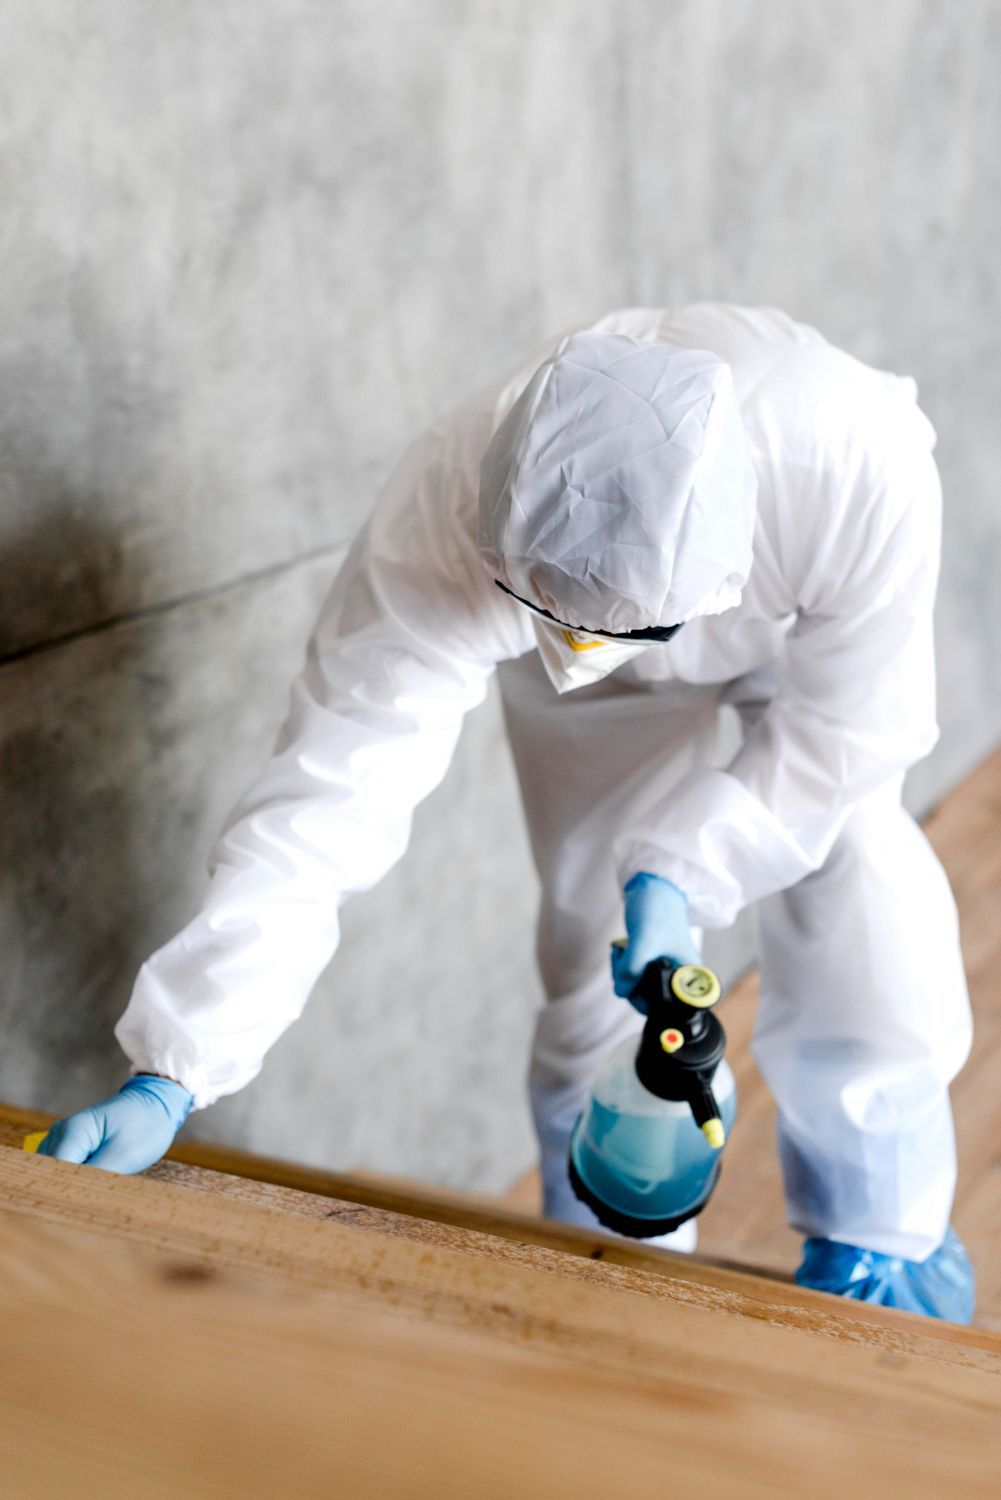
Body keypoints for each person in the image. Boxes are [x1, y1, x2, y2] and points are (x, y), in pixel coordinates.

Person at [38, 304, 975, 1322]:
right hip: (563, 641)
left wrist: (677, 871)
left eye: (612, 632)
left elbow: (845, 739)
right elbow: (329, 795)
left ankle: (881, 1239)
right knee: (587, 941)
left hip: (790, 642)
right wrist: (174, 1068)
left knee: (855, 866)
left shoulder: (847, 460)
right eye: (559, 619)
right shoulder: (447, 508)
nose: (587, 651)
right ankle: (605, 1269)